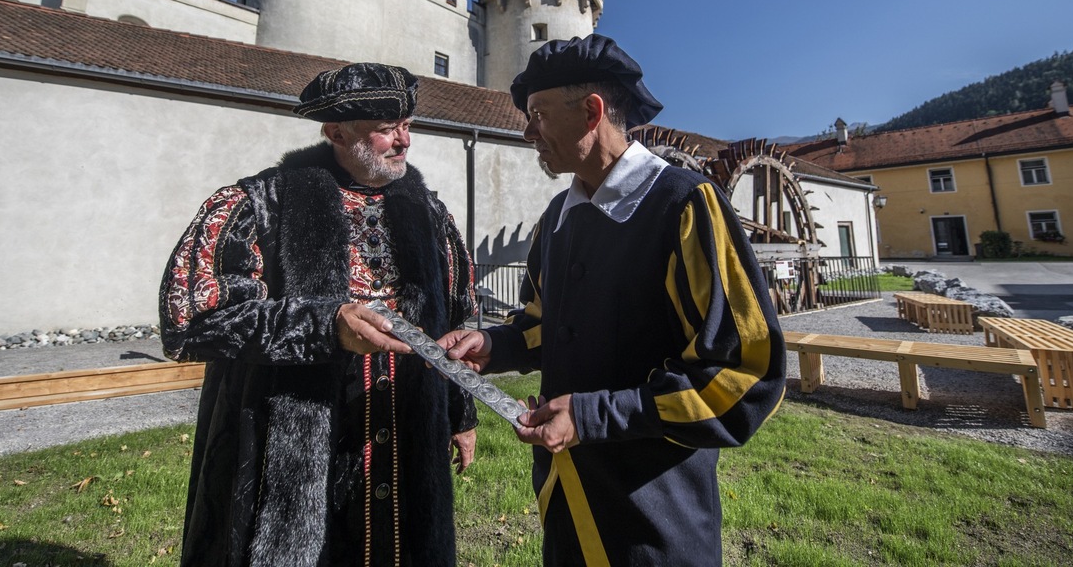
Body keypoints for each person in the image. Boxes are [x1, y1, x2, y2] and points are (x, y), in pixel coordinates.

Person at [438, 35, 786, 566]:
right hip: (565, 500)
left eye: (538, 114)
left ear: (592, 111)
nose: (528, 131)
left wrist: (594, 416)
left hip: (655, 519)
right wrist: (493, 344)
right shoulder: (556, 218)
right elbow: (540, 324)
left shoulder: (686, 204)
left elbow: (745, 371)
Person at [159, 63, 478, 566]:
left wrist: (460, 412)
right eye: (386, 129)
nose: (404, 141)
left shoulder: (431, 213)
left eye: (408, 125)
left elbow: (458, 319)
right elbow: (190, 320)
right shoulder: (258, 204)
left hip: (406, 420)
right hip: (293, 431)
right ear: (336, 132)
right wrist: (324, 326)